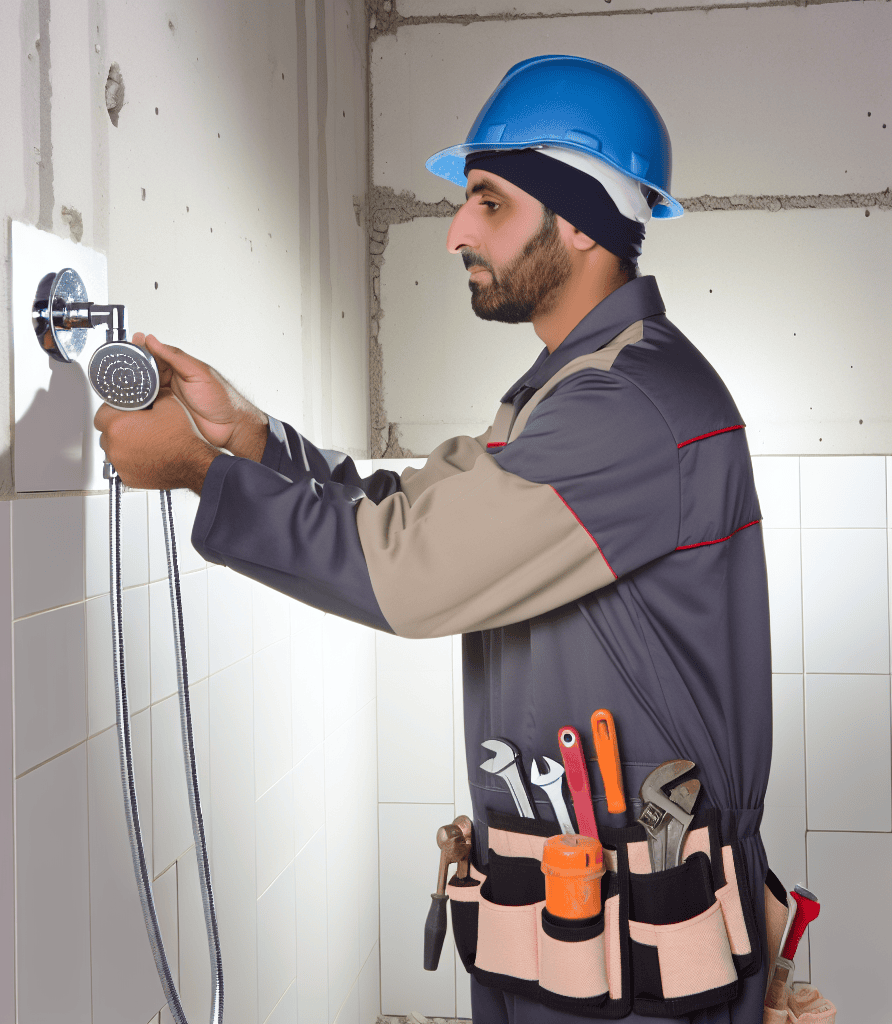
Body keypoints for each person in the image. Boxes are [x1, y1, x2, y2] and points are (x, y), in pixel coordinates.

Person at [96, 56, 772, 1024]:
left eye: (488, 203)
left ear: (578, 221)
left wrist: (204, 473)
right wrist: (251, 439)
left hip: (636, 952)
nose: (455, 229)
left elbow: (409, 574)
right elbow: (424, 517)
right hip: (572, 908)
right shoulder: (577, 385)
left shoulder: (625, 405)